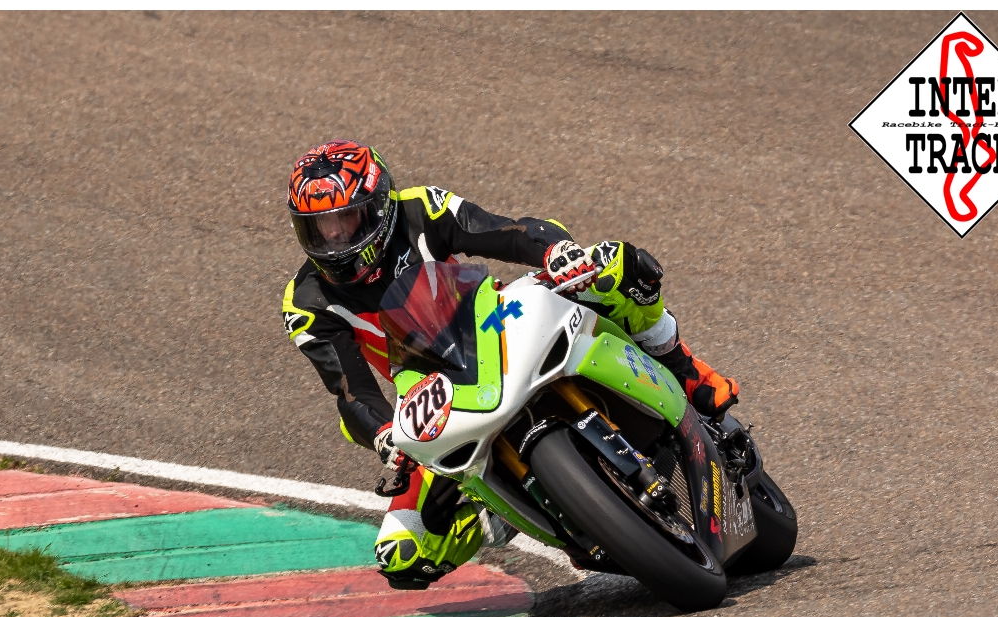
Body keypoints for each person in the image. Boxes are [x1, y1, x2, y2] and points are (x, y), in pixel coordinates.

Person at [282, 140, 739, 589]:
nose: (334, 239)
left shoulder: (419, 209)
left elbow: (506, 231)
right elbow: (350, 391)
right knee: (402, 554)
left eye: (344, 220)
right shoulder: (305, 302)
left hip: (491, 320)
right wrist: (384, 434)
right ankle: (507, 509)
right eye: (319, 228)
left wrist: (555, 252)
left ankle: (685, 371)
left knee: (615, 267)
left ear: (379, 206)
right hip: (435, 394)